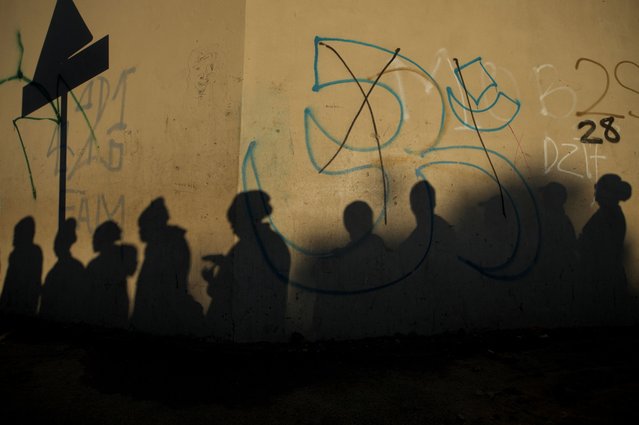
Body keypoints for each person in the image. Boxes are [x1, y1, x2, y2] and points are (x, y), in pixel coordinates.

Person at [204, 191, 289, 342]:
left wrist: (214, 278)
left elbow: (241, 285)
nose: (232, 228)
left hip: (250, 325)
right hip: (265, 323)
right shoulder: (273, 242)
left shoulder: (249, 246)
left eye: (234, 223)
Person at [0, 217, 43, 316]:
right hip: (17, 307)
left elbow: (10, 281)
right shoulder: (17, 254)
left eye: (16, 234)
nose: (14, 238)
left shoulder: (31, 253)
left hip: (22, 307)